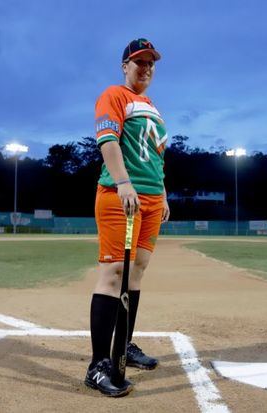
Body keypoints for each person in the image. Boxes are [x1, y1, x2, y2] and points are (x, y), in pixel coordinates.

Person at [84, 38, 170, 397]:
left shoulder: (153, 108)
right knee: (114, 273)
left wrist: (162, 194)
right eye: (139, 62)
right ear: (125, 66)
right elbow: (109, 142)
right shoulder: (114, 95)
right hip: (121, 196)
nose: (146, 68)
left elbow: (156, 157)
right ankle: (98, 365)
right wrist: (123, 182)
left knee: (136, 272)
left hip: (150, 199)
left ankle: (124, 347)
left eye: (151, 63)